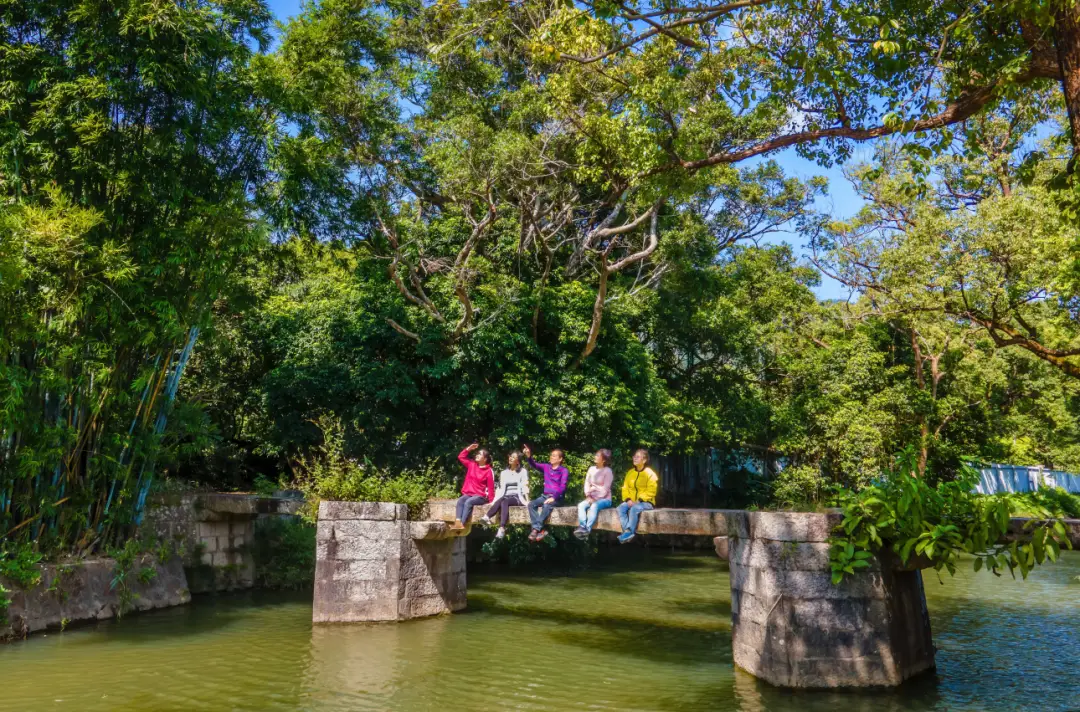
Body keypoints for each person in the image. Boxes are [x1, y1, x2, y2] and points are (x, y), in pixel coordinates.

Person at [479, 450, 530, 539]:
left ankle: (502, 527)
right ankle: (487, 517)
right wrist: (493, 501)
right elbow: (500, 489)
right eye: (510, 456)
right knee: (501, 500)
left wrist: (527, 500)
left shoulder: (522, 471)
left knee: (504, 501)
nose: (510, 458)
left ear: (518, 461)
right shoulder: (504, 473)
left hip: (517, 497)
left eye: (513, 457)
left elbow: (525, 486)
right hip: (505, 496)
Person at [522, 445, 568, 542]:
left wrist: (554, 497)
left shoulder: (564, 471)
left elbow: (562, 487)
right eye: (551, 455)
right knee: (531, 504)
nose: (551, 457)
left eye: (554, 456)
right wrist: (529, 456)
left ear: (560, 459)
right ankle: (540, 530)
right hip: (545, 496)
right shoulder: (547, 467)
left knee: (546, 505)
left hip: (557, 498)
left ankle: (535, 530)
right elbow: (534, 465)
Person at [616, 449, 658, 543]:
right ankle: (627, 532)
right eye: (634, 456)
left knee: (634, 509)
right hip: (632, 501)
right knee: (620, 508)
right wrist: (628, 500)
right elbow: (625, 488)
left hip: (646, 502)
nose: (634, 458)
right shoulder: (630, 473)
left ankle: (629, 531)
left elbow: (652, 490)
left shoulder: (650, 473)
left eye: (637, 457)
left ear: (644, 460)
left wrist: (639, 500)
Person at [451, 443, 495, 530]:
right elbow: (461, 457)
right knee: (461, 500)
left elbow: (491, 487)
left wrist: (491, 502)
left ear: (485, 459)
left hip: (481, 496)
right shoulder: (472, 464)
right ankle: (458, 522)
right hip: (469, 493)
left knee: (468, 502)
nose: (477, 455)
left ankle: (462, 524)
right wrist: (468, 449)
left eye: (480, 454)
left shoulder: (489, 471)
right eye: (477, 453)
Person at [573, 449, 614, 539]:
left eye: (597, 455)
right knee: (581, 505)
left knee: (594, 506)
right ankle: (582, 526)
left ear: (603, 460)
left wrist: (595, 499)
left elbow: (605, 489)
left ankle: (587, 529)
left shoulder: (608, 471)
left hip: (604, 499)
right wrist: (588, 496)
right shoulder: (591, 469)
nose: (595, 456)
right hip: (591, 497)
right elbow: (587, 483)